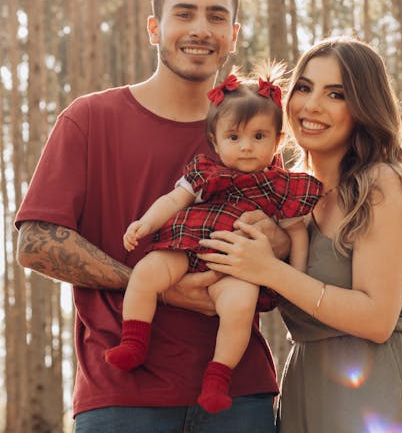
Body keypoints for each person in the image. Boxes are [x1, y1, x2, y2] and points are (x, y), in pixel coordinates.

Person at [15, 0, 290, 433]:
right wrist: (155, 284)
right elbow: (35, 242)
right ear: (153, 27)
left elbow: (290, 240)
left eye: (215, 16)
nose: (199, 29)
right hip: (121, 398)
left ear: (233, 33)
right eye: (183, 13)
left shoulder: (254, 138)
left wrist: (276, 240)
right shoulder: (90, 120)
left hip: (237, 399)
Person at [198, 36, 402, 433]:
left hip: (375, 396)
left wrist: (270, 269)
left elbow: (376, 319)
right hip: (305, 386)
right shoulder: (289, 199)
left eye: (336, 94)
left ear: (363, 107)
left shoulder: (379, 183)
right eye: (305, 88)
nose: (311, 106)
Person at [105, 69, 323, 415]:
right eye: (234, 137)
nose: (246, 146)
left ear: (278, 141)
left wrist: (294, 281)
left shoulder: (282, 186)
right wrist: (145, 223)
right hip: (188, 245)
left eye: (259, 136)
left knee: (239, 306)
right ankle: (134, 339)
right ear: (215, 140)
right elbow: (174, 200)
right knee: (146, 272)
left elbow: (296, 233)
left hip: (236, 268)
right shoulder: (206, 171)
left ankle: (218, 375)